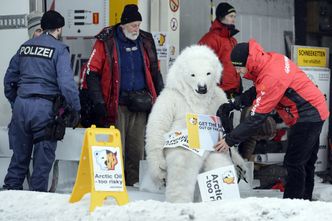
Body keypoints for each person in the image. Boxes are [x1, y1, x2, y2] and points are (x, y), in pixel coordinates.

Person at [215, 39, 329, 200]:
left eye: (239, 67)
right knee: (306, 161)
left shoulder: (272, 76)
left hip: (308, 114)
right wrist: (235, 103)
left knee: (294, 163)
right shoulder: (268, 60)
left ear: (248, 61)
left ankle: (293, 206)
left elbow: (256, 118)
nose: (238, 72)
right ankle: (305, 202)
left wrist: (229, 140)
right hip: (314, 108)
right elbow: (258, 90)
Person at [83, 4, 164, 186]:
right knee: (115, 147)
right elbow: (92, 72)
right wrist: (98, 101)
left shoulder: (145, 40)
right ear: (123, 24)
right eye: (133, 25)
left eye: (138, 25)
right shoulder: (107, 41)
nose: (137, 29)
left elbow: (154, 70)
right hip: (116, 104)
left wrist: (161, 96)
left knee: (136, 148)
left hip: (141, 103)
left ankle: (133, 182)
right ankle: (114, 183)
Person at [3, 10, 81, 192]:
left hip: (22, 107)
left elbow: (9, 80)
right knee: (42, 162)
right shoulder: (59, 49)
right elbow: (67, 84)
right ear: (59, 29)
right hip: (44, 110)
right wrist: (75, 109)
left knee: (19, 159)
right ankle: (36, 206)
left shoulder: (25, 47)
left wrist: (17, 102)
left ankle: (8, 199)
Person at [198, 2, 241, 98]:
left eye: (234, 16)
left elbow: (235, 64)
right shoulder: (210, 39)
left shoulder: (232, 40)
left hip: (231, 91)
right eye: (231, 16)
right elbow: (200, 65)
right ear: (221, 17)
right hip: (216, 91)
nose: (234, 19)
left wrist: (239, 83)